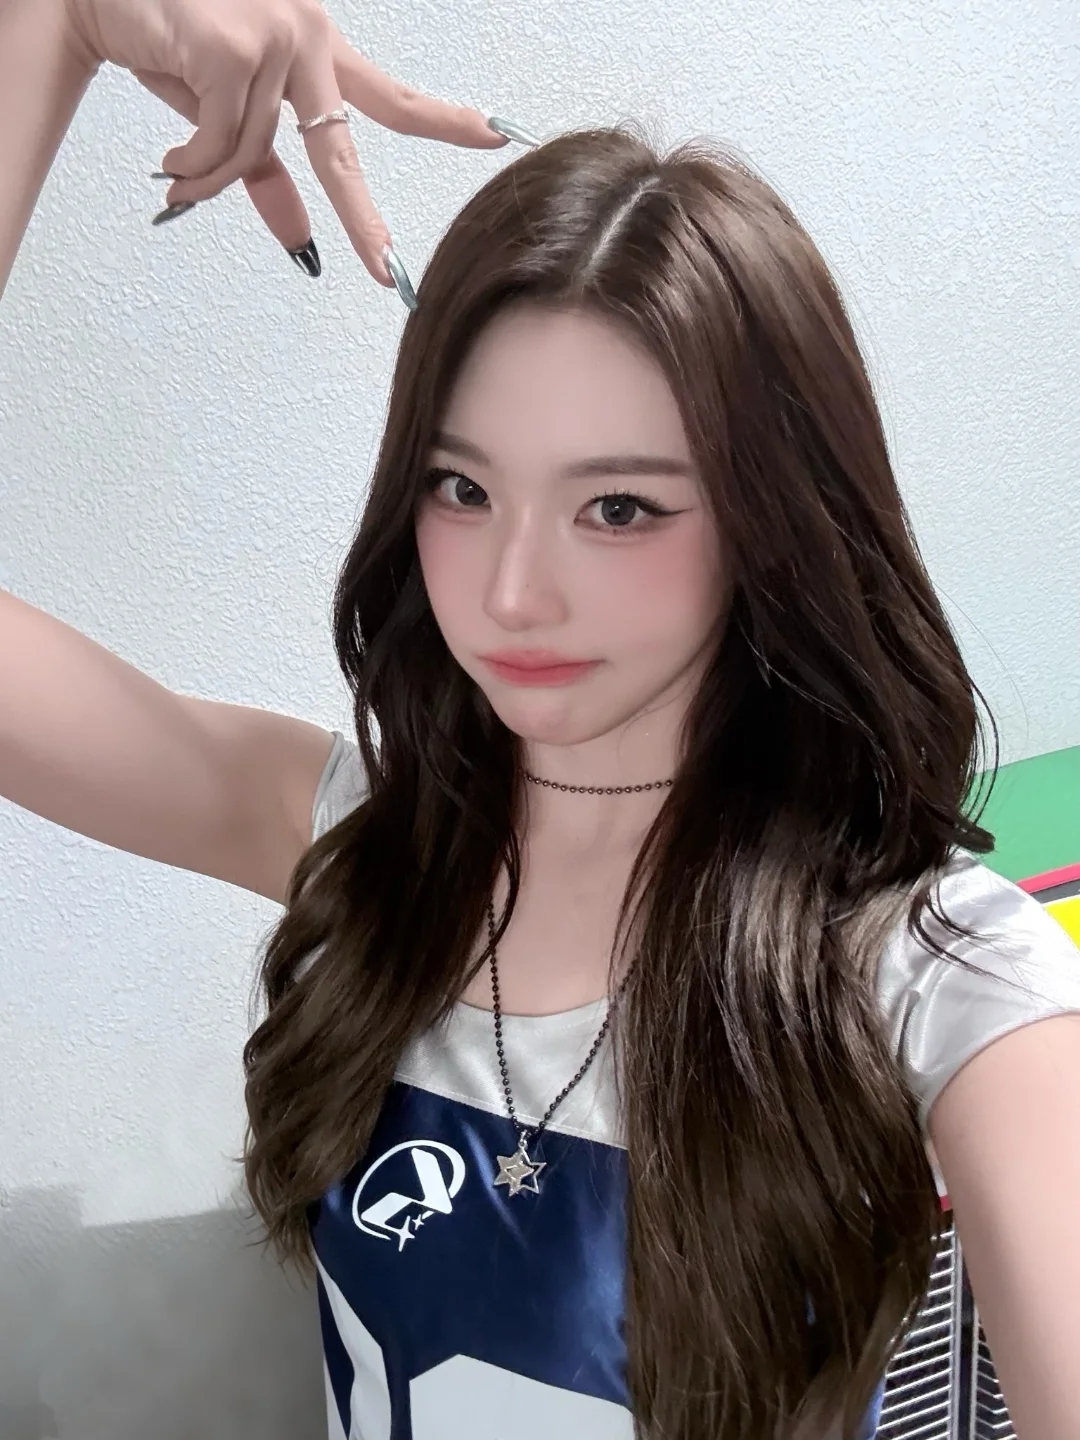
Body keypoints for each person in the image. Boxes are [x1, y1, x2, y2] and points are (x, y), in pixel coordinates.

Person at [3, 2, 1080, 1438]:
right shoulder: (359, 842)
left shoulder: (937, 977)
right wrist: (56, 28)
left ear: (776, 522)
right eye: (462, 489)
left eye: (617, 508)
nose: (511, 591)